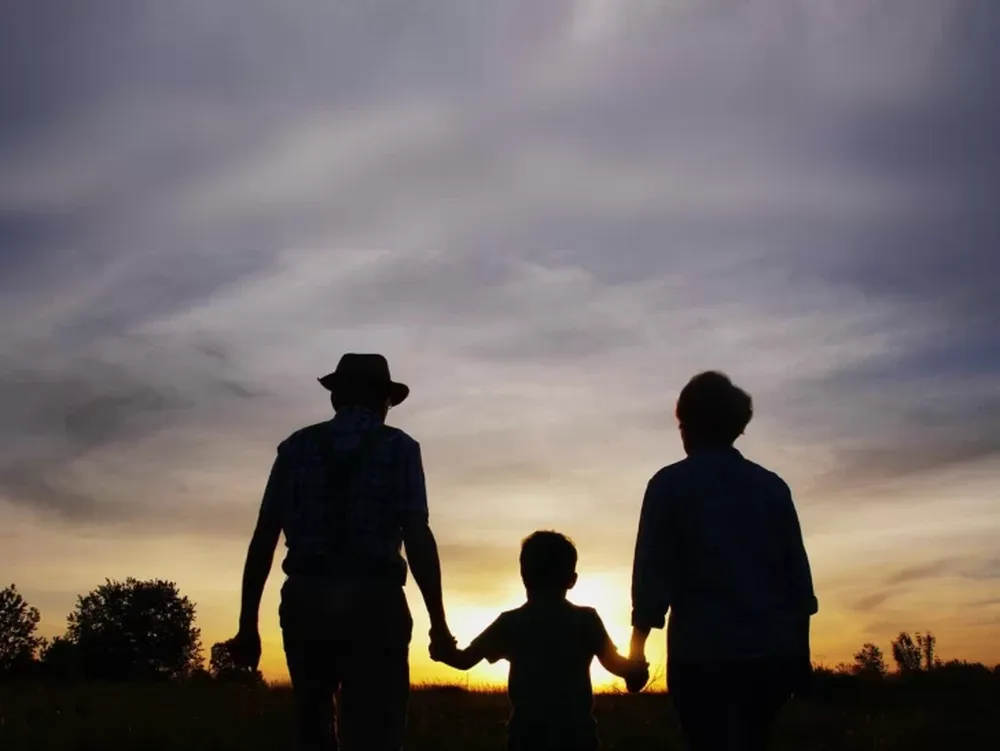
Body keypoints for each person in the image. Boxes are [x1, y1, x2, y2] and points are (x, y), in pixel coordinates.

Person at [231, 353, 455, 751]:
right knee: (377, 732)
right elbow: (417, 535)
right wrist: (438, 623)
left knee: (312, 725)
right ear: (382, 401)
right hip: (375, 602)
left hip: (306, 600)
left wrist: (248, 625)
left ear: (336, 398)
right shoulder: (400, 447)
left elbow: (264, 536)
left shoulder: (295, 448)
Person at [627, 371, 818, 751]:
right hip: (771, 656)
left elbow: (653, 571)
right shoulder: (771, 486)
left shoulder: (669, 485)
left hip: (702, 656)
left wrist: (637, 649)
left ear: (689, 424)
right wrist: (800, 657)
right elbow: (797, 578)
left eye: (682, 423)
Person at [431, 530, 648, 751]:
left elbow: (463, 661)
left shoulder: (511, 623)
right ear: (571, 580)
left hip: (526, 739)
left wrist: (441, 647)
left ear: (523, 575)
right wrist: (637, 664)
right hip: (578, 739)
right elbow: (619, 667)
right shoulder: (586, 620)